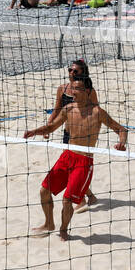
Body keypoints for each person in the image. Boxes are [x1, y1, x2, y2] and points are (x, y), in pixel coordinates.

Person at [23, 82, 127, 241]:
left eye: (77, 88)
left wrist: (122, 143)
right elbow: (50, 128)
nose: (72, 91)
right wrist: (34, 132)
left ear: (87, 91)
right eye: (72, 88)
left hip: (84, 160)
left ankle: (63, 230)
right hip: (67, 156)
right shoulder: (68, 109)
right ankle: (49, 223)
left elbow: (121, 129)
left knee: (67, 200)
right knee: (44, 191)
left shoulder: (97, 112)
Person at [50, 59, 100, 207]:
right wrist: (48, 126)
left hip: (84, 135)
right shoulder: (62, 89)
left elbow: (96, 112)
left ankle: (83, 199)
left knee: (78, 166)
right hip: (68, 133)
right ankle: (90, 196)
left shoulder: (89, 92)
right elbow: (57, 109)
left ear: (83, 73)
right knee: (72, 165)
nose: (71, 73)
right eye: (70, 70)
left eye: (75, 71)